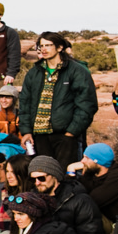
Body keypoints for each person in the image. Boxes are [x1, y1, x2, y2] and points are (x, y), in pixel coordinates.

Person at [29, 153, 118, 234]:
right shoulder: (34, 198)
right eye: (33, 179)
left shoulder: (80, 200)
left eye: (41, 178)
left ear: (54, 175)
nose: (37, 183)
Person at [19, 31, 98, 169]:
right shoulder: (34, 72)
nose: (44, 49)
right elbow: (25, 103)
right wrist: (26, 131)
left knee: (66, 175)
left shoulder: (77, 71)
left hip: (65, 135)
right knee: (43, 174)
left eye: (48, 45)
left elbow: (87, 104)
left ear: (60, 47)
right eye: (41, 46)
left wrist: (71, 132)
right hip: (39, 135)